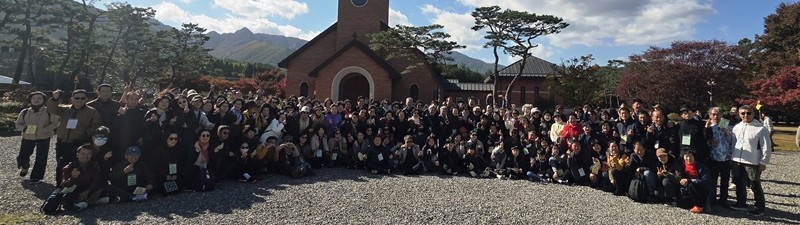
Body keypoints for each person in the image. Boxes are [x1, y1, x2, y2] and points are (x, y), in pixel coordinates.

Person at [47, 89, 103, 186]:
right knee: (60, 162)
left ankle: (74, 184)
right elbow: (52, 109)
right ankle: (60, 184)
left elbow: (97, 125)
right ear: (72, 99)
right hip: (62, 141)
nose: (79, 100)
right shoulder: (65, 109)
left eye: (82, 98)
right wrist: (55, 98)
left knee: (75, 164)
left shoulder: (91, 111)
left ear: (86, 99)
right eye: (77, 98)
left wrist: (86, 132)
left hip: (78, 142)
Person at [730, 105, 771, 216]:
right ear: (739, 114)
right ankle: (741, 203)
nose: (746, 115)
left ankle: (759, 206)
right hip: (737, 159)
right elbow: (734, 143)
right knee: (739, 182)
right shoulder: (737, 127)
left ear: (753, 114)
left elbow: (766, 147)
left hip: (752, 161)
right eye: (743, 113)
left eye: (748, 113)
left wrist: (763, 162)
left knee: (754, 184)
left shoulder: (761, 129)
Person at [16, 91, 59, 182]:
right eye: (34, 98)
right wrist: (24, 129)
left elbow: (55, 123)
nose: (36, 100)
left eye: (39, 98)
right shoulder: (25, 112)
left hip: (43, 137)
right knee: (22, 155)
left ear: (43, 100)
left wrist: (46, 129)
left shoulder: (49, 111)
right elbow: (18, 124)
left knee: (41, 157)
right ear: (30, 100)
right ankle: (25, 166)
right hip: (28, 136)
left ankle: (36, 176)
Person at [60, 144, 108, 211]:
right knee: (68, 198)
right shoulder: (69, 167)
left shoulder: (94, 165)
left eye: (89, 154)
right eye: (83, 154)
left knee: (102, 186)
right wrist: (73, 177)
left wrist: (87, 191)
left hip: (88, 189)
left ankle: (85, 203)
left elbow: (96, 180)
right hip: (76, 189)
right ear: (77, 155)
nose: (86, 156)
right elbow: (64, 184)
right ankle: (91, 202)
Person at [705, 107, 734, 209]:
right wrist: (710, 143)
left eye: (718, 114)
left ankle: (723, 200)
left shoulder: (726, 125)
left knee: (725, 181)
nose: (716, 116)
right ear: (710, 116)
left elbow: (734, 140)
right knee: (713, 180)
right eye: (713, 114)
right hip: (714, 158)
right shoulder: (708, 127)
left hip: (726, 158)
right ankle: (712, 200)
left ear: (721, 115)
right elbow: (703, 141)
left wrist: (727, 132)